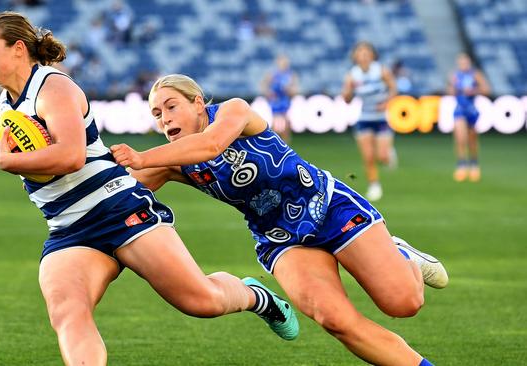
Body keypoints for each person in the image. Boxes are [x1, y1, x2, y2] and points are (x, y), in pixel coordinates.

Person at [0, 12, 298, 365]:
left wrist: (9, 162)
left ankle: (257, 297)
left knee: (201, 301)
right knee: (68, 313)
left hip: (118, 208)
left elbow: (70, 156)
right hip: (68, 228)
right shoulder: (4, 106)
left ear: (18, 49)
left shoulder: (53, 87)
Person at [111, 74, 449, 366]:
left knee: (404, 303)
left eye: (171, 106)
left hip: (328, 206)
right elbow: (119, 190)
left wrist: (140, 157)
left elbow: (211, 144)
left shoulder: (234, 111)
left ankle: (402, 254)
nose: (164, 118)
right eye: (157, 113)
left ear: (198, 103)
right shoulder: (171, 161)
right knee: (335, 320)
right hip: (280, 239)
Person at [341, 41, 397, 202]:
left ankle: (388, 154)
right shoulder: (352, 75)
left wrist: (387, 102)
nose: (363, 56)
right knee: (368, 156)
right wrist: (348, 91)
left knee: (382, 157)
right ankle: (374, 185)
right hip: (364, 118)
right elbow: (347, 100)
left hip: (381, 119)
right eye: (360, 53)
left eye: (366, 53)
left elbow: (393, 88)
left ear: (372, 55)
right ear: (355, 56)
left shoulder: (381, 71)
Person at [447, 53, 490, 182]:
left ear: (469, 62)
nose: (463, 64)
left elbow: (486, 89)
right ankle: (461, 165)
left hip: (471, 109)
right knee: (460, 138)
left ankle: (474, 163)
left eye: (465, 62)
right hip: (460, 108)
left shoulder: (475, 74)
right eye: (461, 62)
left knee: (472, 140)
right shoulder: (455, 75)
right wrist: (455, 88)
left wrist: (473, 91)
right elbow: (449, 91)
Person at [261, 54, 297, 143]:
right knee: (275, 120)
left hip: (284, 99)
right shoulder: (273, 74)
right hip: (276, 100)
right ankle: (274, 140)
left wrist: (289, 91)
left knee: (286, 120)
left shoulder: (290, 75)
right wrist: (268, 93)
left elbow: (294, 89)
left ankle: (285, 142)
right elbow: (264, 84)